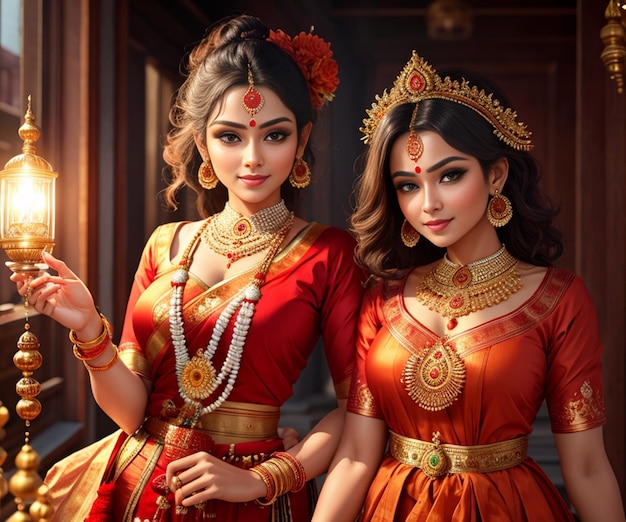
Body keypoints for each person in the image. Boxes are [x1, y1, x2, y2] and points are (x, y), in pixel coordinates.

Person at [13, 14, 365, 521]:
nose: (252, 158)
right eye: (229, 137)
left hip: (249, 493)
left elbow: (358, 412)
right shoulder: (165, 245)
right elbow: (131, 412)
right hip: (138, 485)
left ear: (302, 138)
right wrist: (90, 329)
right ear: (202, 144)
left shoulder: (328, 254)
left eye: (274, 135)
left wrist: (261, 479)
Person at [312, 50, 626, 521]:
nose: (429, 203)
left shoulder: (559, 298)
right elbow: (356, 454)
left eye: (451, 175)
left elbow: (586, 468)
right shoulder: (383, 298)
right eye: (408, 185)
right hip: (392, 508)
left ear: (495, 173)